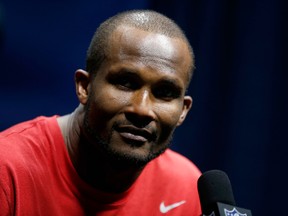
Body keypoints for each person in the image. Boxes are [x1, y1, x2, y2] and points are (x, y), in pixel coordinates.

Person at [0, 10, 201, 215]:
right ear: (84, 87)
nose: (142, 109)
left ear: (183, 110)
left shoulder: (185, 187)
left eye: (164, 93)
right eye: (125, 83)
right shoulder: (7, 170)